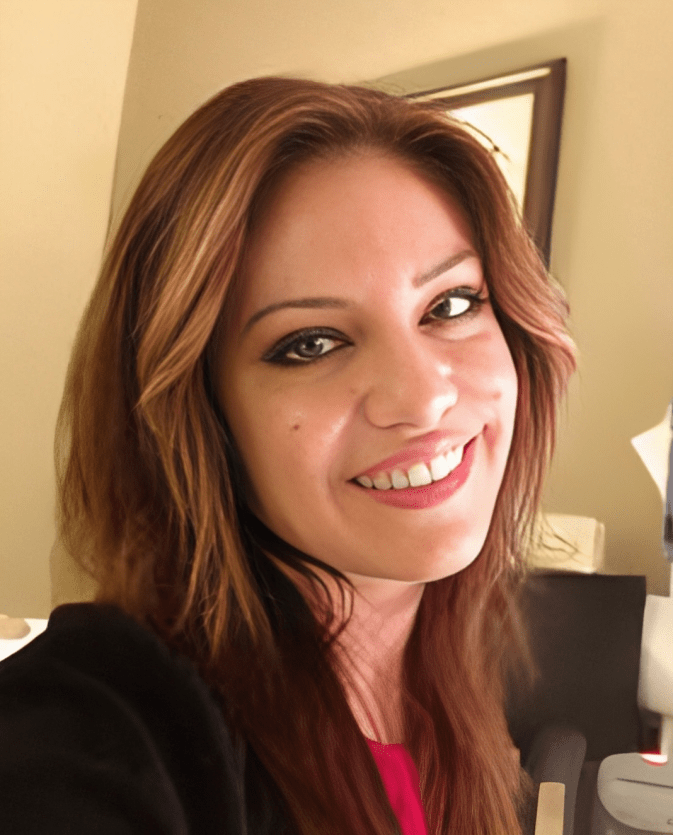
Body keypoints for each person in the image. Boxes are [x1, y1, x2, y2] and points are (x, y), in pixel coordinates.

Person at [0, 76, 577, 834]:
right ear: (201, 414)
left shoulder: (450, 702)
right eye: (310, 344)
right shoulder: (106, 718)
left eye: (450, 304)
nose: (420, 398)